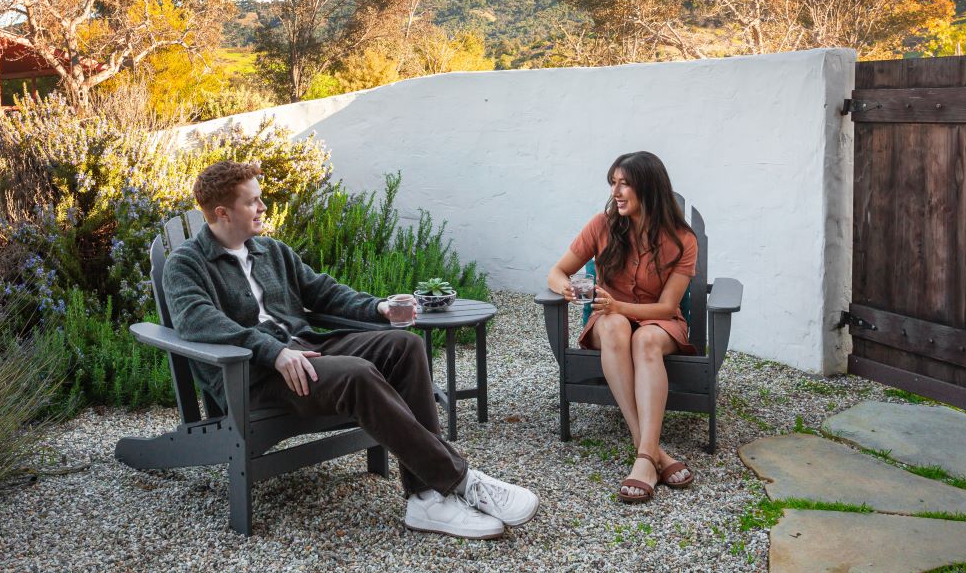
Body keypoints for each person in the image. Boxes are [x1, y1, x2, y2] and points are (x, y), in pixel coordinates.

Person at [162, 160, 538, 539]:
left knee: (404, 345)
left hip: (307, 348)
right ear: (223, 213)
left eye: (261, 199)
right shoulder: (186, 263)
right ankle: (460, 481)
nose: (263, 208)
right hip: (255, 376)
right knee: (356, 374)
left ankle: (426, 499)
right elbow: (198, 321)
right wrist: (272, 352)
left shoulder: (271, 251)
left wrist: (378, 307)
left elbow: (323, 291)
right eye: (252, 202)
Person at [547, 151, 698, 504]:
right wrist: (565, 288)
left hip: (659, 322)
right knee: (615, 326)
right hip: (610, 321)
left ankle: (644, 457)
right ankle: (649, 452)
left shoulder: (681, 239)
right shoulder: (602, 225)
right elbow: (557, 271)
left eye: (624, 183)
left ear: (649, 187)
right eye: (613, 183)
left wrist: (619, 305)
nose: (616, 191)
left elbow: (667, 306)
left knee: (645, 338)